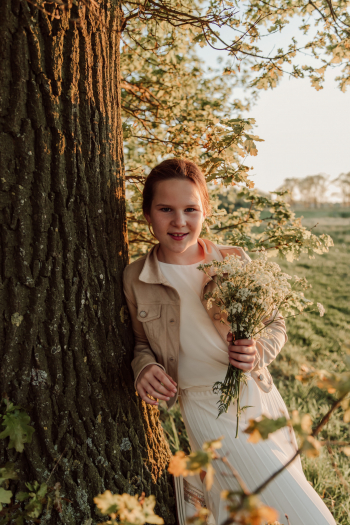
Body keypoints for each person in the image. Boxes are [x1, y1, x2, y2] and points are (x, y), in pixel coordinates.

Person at [122, 158, 336, 525]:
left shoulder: (232, 261)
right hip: (204, 408)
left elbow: (274, 323)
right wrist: (145, 367)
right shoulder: (137, 277)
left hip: (256, 398)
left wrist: (258, 352)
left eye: (191, 209)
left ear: (205, 210)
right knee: (264, 506)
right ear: (147, 214)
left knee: (283, 502)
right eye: (165, 209)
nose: (179, 221)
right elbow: (141, 342)